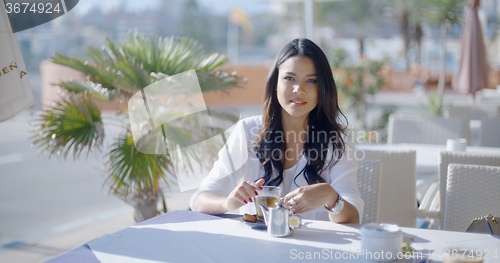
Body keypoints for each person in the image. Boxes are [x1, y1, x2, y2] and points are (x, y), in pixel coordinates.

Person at [190, 38, 363, 223]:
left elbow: (353, 217)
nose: (299, 89)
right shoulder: (248, 131)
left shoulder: (336, 139)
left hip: (309, 250)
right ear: (275, 83)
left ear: (323, 88)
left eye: (312, 80)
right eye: (290, 78)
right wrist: (228, 203)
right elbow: (200, 200)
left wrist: (331, 197)